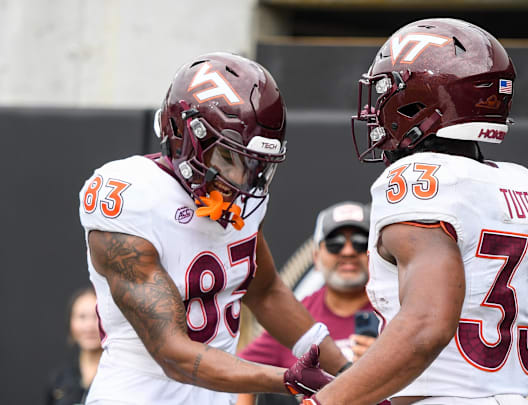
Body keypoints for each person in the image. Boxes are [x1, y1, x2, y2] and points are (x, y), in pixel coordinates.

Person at [296, 18, 528, 405]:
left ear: (418, 101)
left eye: (387, 93)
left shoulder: (420, 179)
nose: (378, 110)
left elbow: (426, 325)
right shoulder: (520, 183)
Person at [78, 52, 347, 404]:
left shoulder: (241, 199)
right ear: (186, 135)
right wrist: (288, 379)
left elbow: (264, 292)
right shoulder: (132, 196)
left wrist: (345, 371)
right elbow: (173, 353)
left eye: (256, 165)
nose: (242, 180)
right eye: (230, 158)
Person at [236, 201, 376, 405]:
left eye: (360, 242)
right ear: (316, 257)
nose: (348, 252)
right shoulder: (297, 314)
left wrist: (387, 362)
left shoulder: (396, 309)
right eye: (335, 243)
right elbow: (243, 372)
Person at [46, 286, 102, 405]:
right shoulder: (59, 380)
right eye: (82, 317)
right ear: (71, 324)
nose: (89, 326)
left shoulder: (120, 375)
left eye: (97, 316)